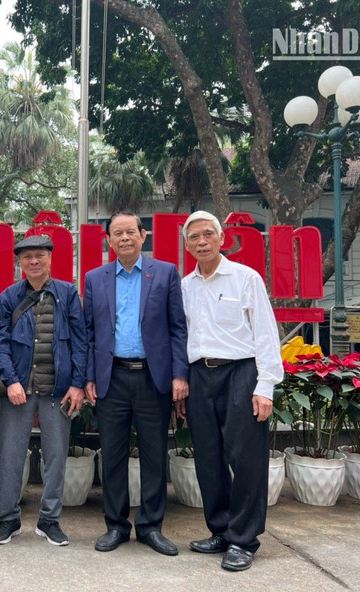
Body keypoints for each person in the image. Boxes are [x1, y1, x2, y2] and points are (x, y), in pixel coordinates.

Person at [180, 211, 283, 572]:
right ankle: (221, 530)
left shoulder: (245, 279)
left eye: (208, 234)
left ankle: (244, 539)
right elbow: (185, 337)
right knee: (208, 459)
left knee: (246, 458)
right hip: (199, 376)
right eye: (194, 237)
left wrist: (265, 385)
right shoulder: (185, 285)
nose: (202, 241)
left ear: (223, 238)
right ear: (187, 244)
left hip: (241, 371)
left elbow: (266, 334)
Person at [84, 211, 189, 555]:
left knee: (154, 455)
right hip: (111, 378)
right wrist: (88, 376)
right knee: (112, 455)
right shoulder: (95, 278)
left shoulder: (165, 274)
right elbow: (88, 333)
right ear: (109, 240)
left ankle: (150, 527)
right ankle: (116, 526)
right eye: (118, 233)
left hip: (152, 377)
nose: (125, 238)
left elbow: (177, 329)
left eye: (131, 231)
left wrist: (178, 374)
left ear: (144, 236)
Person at [0, 235, 87, 546]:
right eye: (27, 256)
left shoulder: (67, 293)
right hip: (19, 388)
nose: (34, 261)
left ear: (50, 259)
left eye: (40, 256)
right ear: (20, 262)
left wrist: (77, 384)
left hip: (57, 388)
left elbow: (80, 341)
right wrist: (10, 380)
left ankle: (50, 520)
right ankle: (8, 519)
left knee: (56, 455)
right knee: (12, 455)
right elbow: (0, 343)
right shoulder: (9, 296)